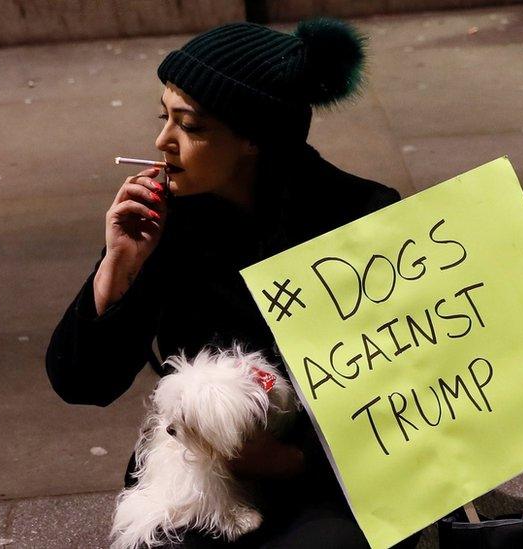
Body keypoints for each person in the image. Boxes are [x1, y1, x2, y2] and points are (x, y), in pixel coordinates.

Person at [45, 18, 420, 548]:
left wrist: (288, 461)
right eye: (163, 117)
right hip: (200, 477)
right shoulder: (166, 221)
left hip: (331, 476)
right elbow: (83, 383)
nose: (162, 141)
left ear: (253, 139)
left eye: (190, 126)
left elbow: (405, 396)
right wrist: (118, 267)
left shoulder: (362, 216)